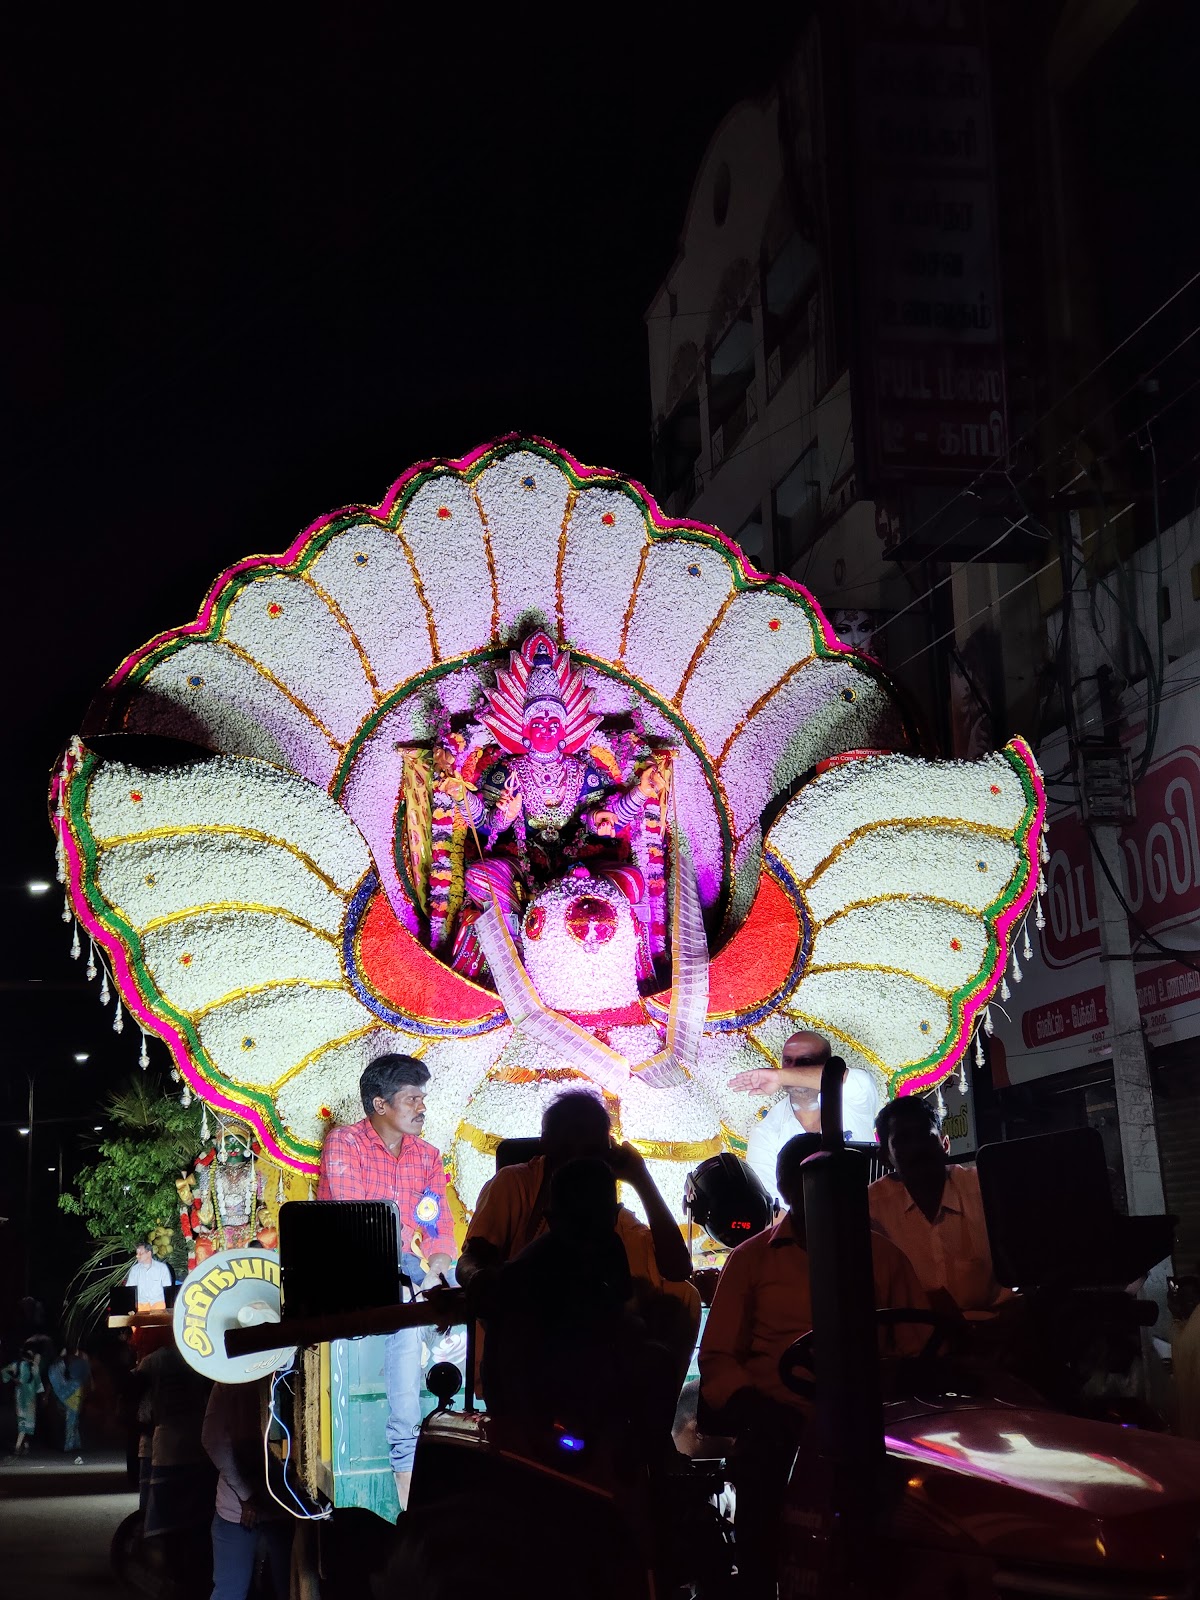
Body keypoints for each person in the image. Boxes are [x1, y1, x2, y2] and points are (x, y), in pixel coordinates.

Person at [699, 1132, 925, 1599]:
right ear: (784, 1187)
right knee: (761, 1496)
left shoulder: (884, 1258)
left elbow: (916, 1346)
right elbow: (719, 1356)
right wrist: (755, 1408)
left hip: (872, 1425)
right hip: (778, 1423)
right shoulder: (750, 1260)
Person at [458, 1089, 697, 1388]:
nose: (581, 1155)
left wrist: (640, 1178)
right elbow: (472, 1257)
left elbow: (676, 1270)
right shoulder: (515, 1184)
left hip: (590, 1362)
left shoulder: (609, 1211)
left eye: (592, 1149)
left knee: (682, 1301)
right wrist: (481, 1280)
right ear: (547, 1143)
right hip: (528, 1357)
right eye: (571, 1144)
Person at [317, 1053, 456, 1512]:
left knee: (456, 1289)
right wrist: (418, 1266)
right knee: (406, 1311)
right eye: (411, 1098)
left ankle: (417, 1487)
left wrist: (438, 1261)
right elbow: (362, 1218)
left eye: (423, 1098)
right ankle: (405, 1486)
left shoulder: (428, 1156)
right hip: (349, 1280)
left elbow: (437, 1224)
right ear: (380, 1104)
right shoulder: (344, 1144)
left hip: (404, 1282)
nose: (421, 1107)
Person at [868, 1095, 1009, 1317]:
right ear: (885, 1156)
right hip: (918, 1347)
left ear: (945, 1144)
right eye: (903, 1140)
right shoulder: (871, 1210)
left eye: (926, 1136)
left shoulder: (984, 1188)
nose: (917, 1148)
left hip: (996, 1336)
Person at [729, 1031, 881, 1202]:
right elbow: (771, 1209)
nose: (793, 1070)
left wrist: (780, 1076)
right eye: (788, 1061)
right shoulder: (765, 1132)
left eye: (805, 1062)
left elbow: (840, 1077)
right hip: (804, 1227)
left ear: (825, 1065)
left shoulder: (857, 1098)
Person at [202, 1380, 293, 1600]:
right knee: (231, 1592)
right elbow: (212, 1440)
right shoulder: (227, 1381)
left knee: (285, 1588)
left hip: (280, 1506)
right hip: (241, 1509)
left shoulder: (282, 1375)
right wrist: (246, 1495)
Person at [47, 1346, 91, 1460]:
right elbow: (86, 1379)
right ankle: (75, 1443)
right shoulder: (84, 1364)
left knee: (71, 1418)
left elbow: (57, 1371)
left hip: (71, 1390)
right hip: (78, 1392)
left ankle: (70, 1445)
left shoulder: (70, 1363)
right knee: (74, 1418)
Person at [2, 1345, 44, 1455]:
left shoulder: (17, 1365)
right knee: (28, 1422)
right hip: (30, 1399)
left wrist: (14, 1379)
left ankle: (25, 1445)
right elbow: (38, 1385)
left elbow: (3, 1371)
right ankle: (18, 1446)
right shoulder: (34, 1367)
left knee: (21, 1421)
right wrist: (43, 1397)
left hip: (20, 1397)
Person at [125, 1241, 174, 1309]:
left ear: (149, 1253)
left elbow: (168, 1289)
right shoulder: (134, 1270)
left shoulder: (162, 1268)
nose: (137, 1256)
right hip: (141, 1306)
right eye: (137, 1253)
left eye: (140, 1253)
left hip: (158, 1306)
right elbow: (129, 1289)